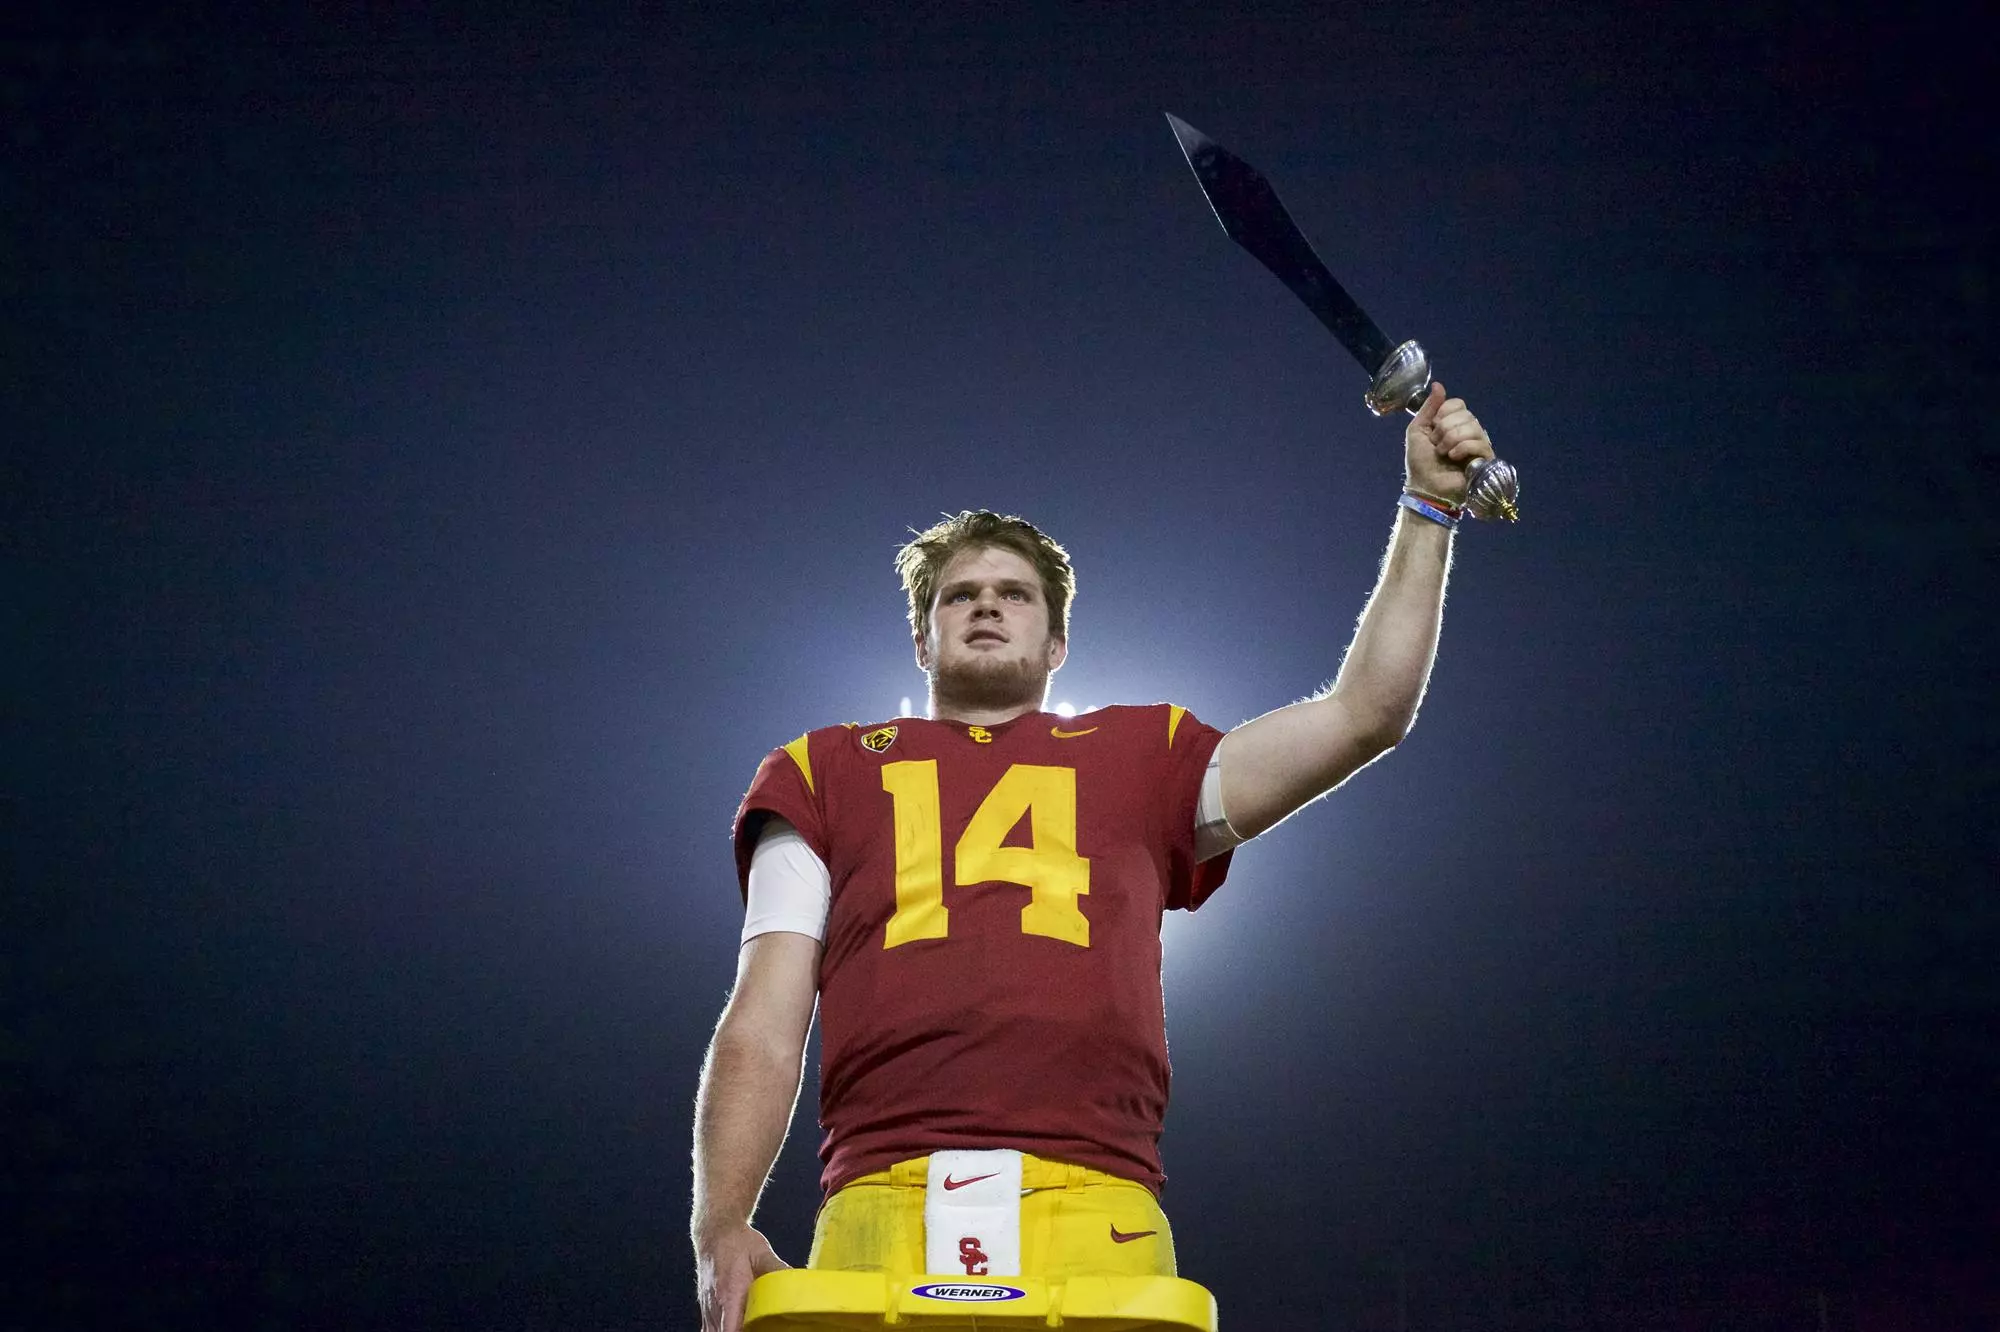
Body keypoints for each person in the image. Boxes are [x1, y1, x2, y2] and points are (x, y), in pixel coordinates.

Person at [692, 384, 1497, 1332]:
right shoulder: (821, 768)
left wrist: (1428, 507)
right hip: (878, 1197)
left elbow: (1366, 715)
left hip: (1098, 1198)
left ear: (1058, 640)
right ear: (921, 636)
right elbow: (766, 1013)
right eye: (961, 596)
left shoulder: (1144, 754)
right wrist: (723, 1221)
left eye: (1013, 595)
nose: (986, 607)